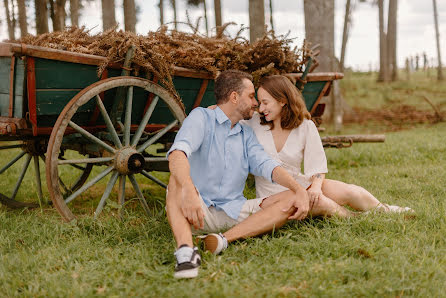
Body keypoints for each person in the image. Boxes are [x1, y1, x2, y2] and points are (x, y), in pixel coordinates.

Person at [166, 70, 346, 279]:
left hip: (234, 211)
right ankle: (187, 253)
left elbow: (268, 166)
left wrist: (298, 190)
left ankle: (222, 239)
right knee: (176, 180)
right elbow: (178, 154)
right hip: (196, 210)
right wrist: (188, 190)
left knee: (292, 195)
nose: (256, 104)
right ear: (234, 97)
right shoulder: (201, 118)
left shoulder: (246, 134)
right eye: (251, 97)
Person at [242, 75, 412, 217]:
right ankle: (356, 218)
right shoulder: (253, 123)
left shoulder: (305, 126)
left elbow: (317, 165)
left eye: (265, 102)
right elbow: (222, 112)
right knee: (322, 203)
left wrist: (315, 187)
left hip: (300, 184)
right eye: (260, 102)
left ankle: (385, 210)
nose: (260, 107)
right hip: (271, 195)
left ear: (282, 101)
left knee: (349, 191)